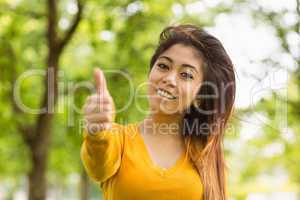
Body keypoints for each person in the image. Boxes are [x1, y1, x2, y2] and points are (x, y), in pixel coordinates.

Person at [81, 24, 236, 200]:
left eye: (186, 75)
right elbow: (98, 165)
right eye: (163, 66)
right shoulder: (118, 140)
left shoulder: (206, 154)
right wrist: (97, 130)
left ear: (199, 96)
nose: (169, 79)